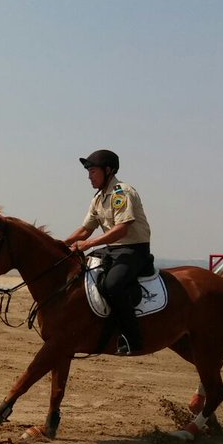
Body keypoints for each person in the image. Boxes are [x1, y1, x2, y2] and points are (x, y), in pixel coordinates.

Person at [63, 149, 154, 355]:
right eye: (89, 172)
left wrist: (89, 244)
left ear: (108, 170)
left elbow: (122, 229)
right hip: (112, 250)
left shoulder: (122, 193)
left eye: (93, 172)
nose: (89, 177)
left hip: (133, 250)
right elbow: (85, 230)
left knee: (113, 284)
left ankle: (132, 337)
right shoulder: (98, 198)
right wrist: (60, 243)